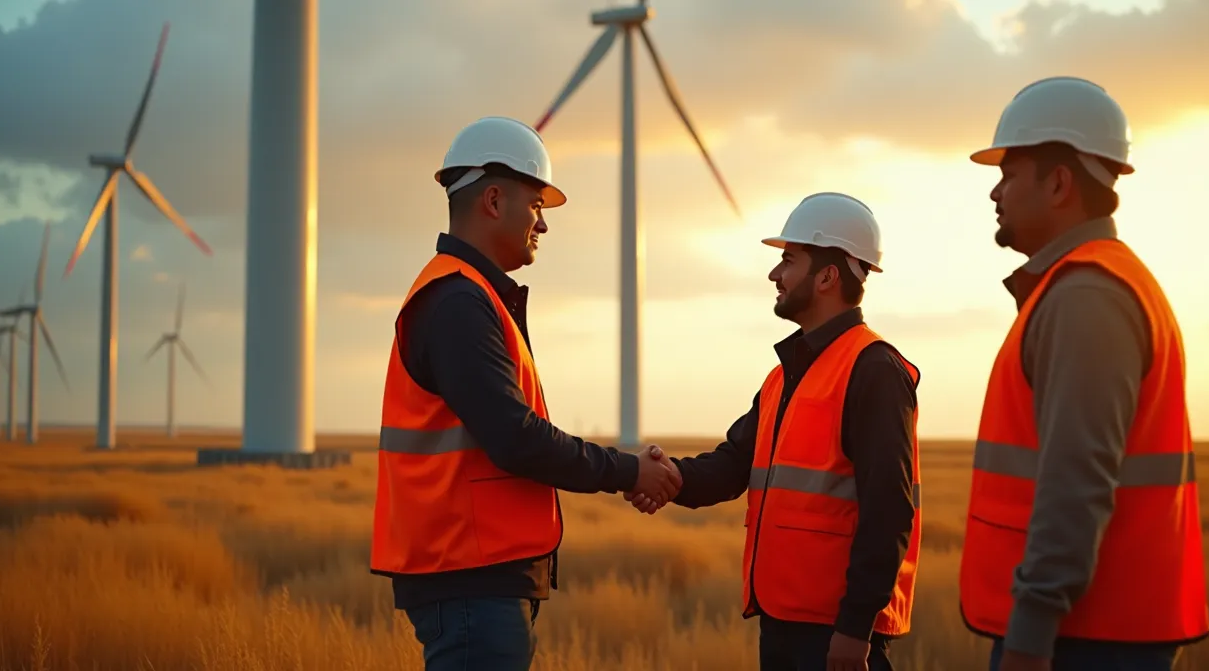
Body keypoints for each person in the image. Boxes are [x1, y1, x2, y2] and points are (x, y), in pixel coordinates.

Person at [370, 115, 684, 671]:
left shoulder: (470, 298)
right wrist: (630, 472)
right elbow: (516, 439)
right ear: (493, 200)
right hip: (469, 580)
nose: (543, 223)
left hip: (477, 577)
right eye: (536, 204)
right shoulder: (458, 303)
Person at [958, 76, 1209, 671]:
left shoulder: (1086, 298)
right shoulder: (1091, 285)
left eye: (1009, 173)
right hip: (1095, 631)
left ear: (1060, 183)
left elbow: (1076, 481)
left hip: (1085, 638)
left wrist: (1029, 635)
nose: (995, 192)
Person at [626, 192, 922, 671]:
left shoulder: (874, 370)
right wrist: (667, 477)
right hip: (781, 625)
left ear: (827, 275)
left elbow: (889, 509)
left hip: (835, 638)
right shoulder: (785, 375)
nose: (774, 275)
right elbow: (731, 465)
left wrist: (854, 629)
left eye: (788, 260)